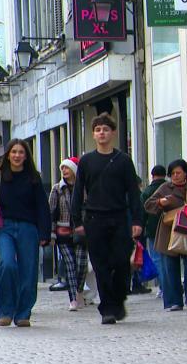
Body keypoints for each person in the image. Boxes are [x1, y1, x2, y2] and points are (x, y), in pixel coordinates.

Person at [71, 112, 144, 325]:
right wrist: (77, 221)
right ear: (94, 134)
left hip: (119, 217)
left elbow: (133, 193)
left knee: (121, 262)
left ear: (113, 133)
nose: (101, 133)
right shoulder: (86, 161)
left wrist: (137, 220)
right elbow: (78, 191)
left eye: (105, 129)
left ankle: (118, 299)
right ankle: (107, 308)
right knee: (100, 265)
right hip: (94, 219)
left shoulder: (123, 161)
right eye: (97, 130)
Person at [0, 139, 52, 327]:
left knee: (29, 270)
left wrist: (45, 232)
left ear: (26, 156)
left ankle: (23, 313)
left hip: (28, 228)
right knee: (7, 264)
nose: (17, 155)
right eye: (14, 152)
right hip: (5, 227)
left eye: (21, 152)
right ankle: (5, 311)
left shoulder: (33, 178)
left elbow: (42, 206)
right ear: (8, 155)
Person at [144, 159, 187, 311]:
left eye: (178, 173)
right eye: (172, 173)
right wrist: (160, 202)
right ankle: (174, 301)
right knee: (169, 267)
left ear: (185, 173)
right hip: (168, 232)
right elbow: (148, 204)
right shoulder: (165, 188)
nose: (175, 176)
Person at [48, 157, 89, 311]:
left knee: (81, 265)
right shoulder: (57, 189)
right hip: (63, 231)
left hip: (81, 231)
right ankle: (73, 299)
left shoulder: (84, 187)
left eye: (67, 168)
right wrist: (52, 233)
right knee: (70, 265)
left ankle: (79, 291)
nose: (64, 171)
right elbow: (51, 212)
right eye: (62, 168)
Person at [140, 165, 169, 303]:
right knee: (169, 259)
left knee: (157, 259)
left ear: (152, 176)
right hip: (169, 228)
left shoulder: (147, 191)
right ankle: (171, 286)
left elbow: (142, 212)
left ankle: (164, 287)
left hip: (152, 230)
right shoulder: (169, 189)